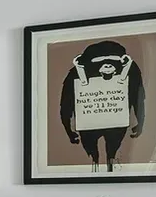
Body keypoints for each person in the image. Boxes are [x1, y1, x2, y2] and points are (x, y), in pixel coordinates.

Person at [59, 39, 145, 171]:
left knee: (113, 149)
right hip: (89, 121)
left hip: (116, 119)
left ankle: (109, 167)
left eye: (111, 62)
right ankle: (95, 167)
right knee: (92, 151)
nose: (107, 66)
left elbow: (137, 98)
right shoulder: (76, 73)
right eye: (101, 62)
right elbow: (66, 103)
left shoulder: (130, 70)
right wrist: (68, 129)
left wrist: (140, 121)